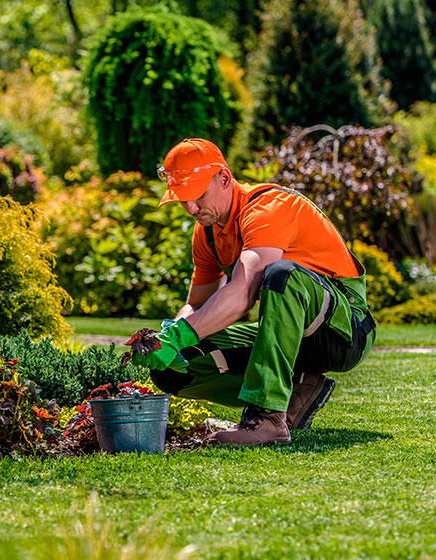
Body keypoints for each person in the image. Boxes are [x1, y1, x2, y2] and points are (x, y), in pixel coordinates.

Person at [131, 138, 376, 446]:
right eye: (182, 200)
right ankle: (298, 393)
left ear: (223, 178)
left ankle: (268, 417)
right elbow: (196, 305)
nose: (191, 208)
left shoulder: (267, 208)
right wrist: (166, 340)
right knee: (174, 371)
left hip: (343, 332)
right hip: (288, 334)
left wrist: (180, 335)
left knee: (280, 274)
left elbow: (244, 291)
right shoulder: (206, 232)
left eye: (197, 196)